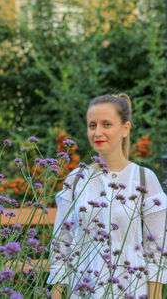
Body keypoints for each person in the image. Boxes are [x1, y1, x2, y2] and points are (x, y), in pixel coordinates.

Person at [47, 94, 167, 299]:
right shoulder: (76, 180)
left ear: (125, 128)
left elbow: (157, 254)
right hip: (83, 290)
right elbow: (61, 247)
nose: (97, 132)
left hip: (131, 290)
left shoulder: (144, 179)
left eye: (107, 124)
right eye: (92, 125)